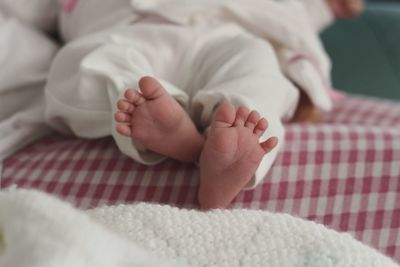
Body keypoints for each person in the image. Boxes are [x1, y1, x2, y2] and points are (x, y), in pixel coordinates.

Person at [44, 0, 363, 209]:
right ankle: (181, 136)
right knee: (81, 62)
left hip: (223, 33)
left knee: (257, 66)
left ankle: (232, 151)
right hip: (128, 35)